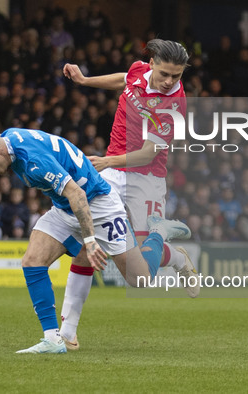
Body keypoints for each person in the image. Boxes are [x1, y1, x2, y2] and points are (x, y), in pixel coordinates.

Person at [0, 117, 189, 354]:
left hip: (99, 205)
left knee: (140, 279)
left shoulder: (33, 162)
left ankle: (159, 232)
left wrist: (90, 241)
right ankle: (53, 338)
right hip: (65, 207)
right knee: (32, 260)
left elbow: (77, 194)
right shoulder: (6, 139)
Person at [60, 38, 199, 351]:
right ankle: (67, 332)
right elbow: (122, 79)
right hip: (111, 174)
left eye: (176, 76)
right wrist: (84, 80)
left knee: (139, 279)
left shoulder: (174, 105)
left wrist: (108, 159)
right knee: (88, 243)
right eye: (164, 74)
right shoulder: (138, 70)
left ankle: (173, 255)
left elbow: (148, 154)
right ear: (150, 64)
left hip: (145, 180)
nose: (169, 81)